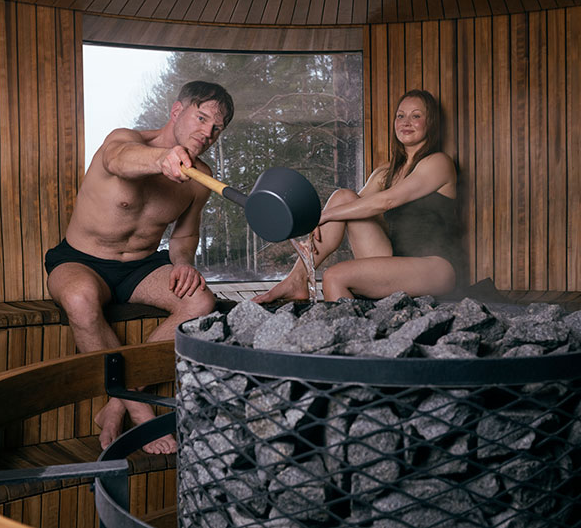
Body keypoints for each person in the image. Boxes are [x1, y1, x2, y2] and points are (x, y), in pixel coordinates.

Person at [45, 81, 234, 453]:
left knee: (200, 302)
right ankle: (139, 412)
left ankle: (115, 404)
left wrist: (183, 264)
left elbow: (183, 235)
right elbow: (118, 159)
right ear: (177, 112)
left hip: (141, 267)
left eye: (217, 128)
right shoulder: (125, 140)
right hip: (80, 261)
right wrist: (160, 160)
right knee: (80, 300)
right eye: (201, 118)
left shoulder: (199, 177)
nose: (207, 132)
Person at [254, 89, 461, 304]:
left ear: (431, 123)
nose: (406, 122)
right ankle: (297, 278)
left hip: (435, 266)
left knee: (334, 276)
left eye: (416, 116)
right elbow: (351, 208)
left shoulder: (439, 163)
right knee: (343, 197)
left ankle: (357, 334)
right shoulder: (385, 172)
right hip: (393, 259)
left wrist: (322, 216)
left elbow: (386, 201)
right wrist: (311, 219)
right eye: (401, 115)